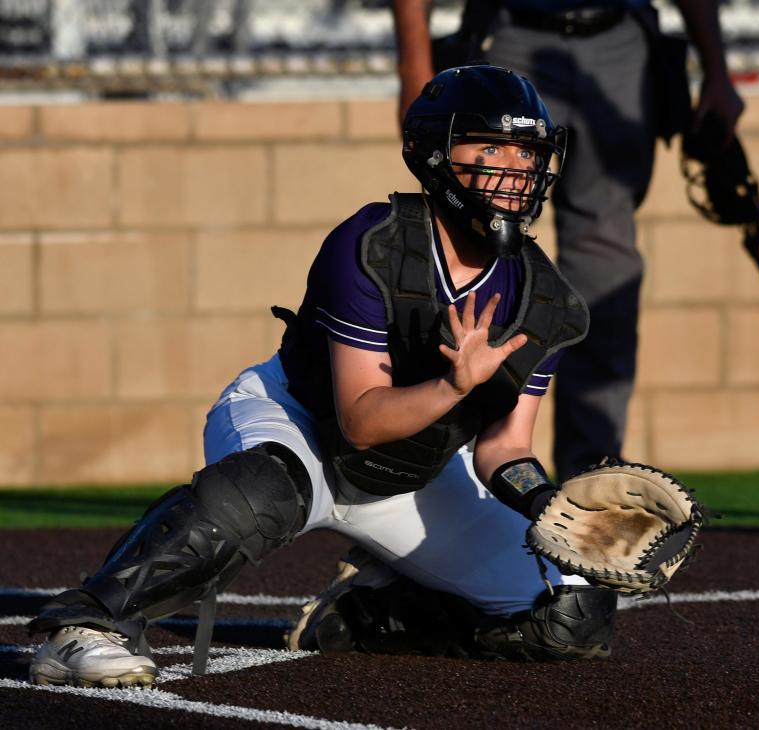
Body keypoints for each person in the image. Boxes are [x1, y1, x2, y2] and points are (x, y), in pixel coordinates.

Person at [26, 64, 620, 689]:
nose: (514, 168)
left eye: (526, 151)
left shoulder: (547, 301)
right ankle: (90, 626)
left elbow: (505, 446)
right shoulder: (376, 242)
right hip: (301, 426)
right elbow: (361, 422)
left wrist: (551, 508)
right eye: (490, 146)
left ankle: (364, 616)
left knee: (573, 613)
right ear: (434, 154)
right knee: (258, 493)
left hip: (412, 472)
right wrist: (452, 386)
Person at [393, 0, 745, 481]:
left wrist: (716, 70)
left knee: (606, 265)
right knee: (478, 238)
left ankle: (589, 481)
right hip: (510, 34)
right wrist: (414, 66)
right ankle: (443, 473)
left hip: (619, 36)